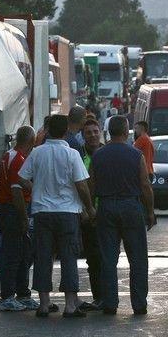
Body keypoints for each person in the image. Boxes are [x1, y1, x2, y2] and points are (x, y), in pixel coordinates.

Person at [19, 114, 96, 318]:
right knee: (69, 257)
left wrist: (36, 189)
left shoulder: (37, 153)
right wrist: (89, 208)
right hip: (67, 213)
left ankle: (44, 304)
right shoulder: (72, 154)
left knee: (43, 256)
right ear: (65, 131)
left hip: (42, 212)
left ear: (48, 131)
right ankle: (70, 305)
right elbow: (81, 185)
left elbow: (22, 178)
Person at [90, 115, 156, 315]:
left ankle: (110, 303)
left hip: (106, 206)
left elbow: (91, 184)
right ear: (126, 131)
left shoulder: (98, 155)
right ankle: (139, 304)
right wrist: (150, 212)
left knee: (108, 258)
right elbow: (145, 185)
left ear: (109, 132)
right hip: (131, 207)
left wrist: (91, 208)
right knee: (137, 258)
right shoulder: (136, 155)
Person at [0, 126, 38, 311]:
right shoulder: (18, 160)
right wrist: (23, 218)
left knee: (23, 252)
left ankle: (22, 293)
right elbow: (16, 192)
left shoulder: (8, 156)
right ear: (32, 141)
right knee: (12, 254)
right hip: (12, 210)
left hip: (7, 209)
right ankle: (7, 297)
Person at [77, 119, 104, 311]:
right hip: (86, 215)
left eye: (95, 131)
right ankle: (98, 297)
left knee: (106, 257)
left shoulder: (107, 153)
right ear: (83, 135)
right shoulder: (78, 155)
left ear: (100, 132)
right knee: (93, 258)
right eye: (88, 132)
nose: (93, 135)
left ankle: (107, 296)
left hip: (106, 213)